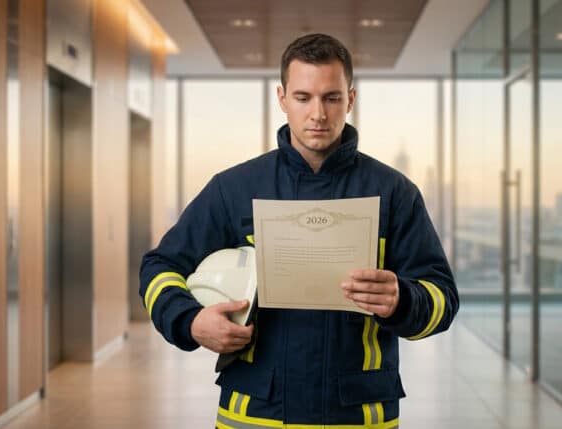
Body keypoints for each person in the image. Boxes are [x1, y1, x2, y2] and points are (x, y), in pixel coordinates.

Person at [139, 33, 459, 429]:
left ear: (351, 100)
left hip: (358, 418)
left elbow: (443, 298)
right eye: (304, 97)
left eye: (332, 97)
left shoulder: (394, 194)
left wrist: (402, 300)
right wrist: (190, 321)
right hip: (255, 415)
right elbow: (159, 267)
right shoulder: (234, 189)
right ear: (282, 98)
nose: (318, 114)